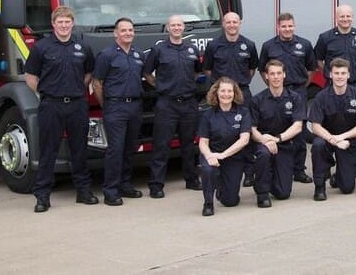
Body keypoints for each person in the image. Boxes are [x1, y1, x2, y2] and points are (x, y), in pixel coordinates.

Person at [25, 6, 98, 212]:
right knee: (48, 151)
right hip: (51, 105)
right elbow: (31, 78)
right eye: (60, 22)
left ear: (72, 24)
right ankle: (42, 197)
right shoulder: (41, 47)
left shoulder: (83, 47)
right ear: (53, 24)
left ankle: (83, 192)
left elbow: (88, 74)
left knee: (80, 150)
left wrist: (74, 89)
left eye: (67, 22)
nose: (64, 25)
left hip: (77, 104)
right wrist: (50, 92)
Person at [143, 15, 202, 198]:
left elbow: (196, 72)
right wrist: (160, 86)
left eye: (179, 25)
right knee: (161, 145)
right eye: (173, 25)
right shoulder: (158, 49)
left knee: (188, 144)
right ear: (167, 28)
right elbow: (147, 73)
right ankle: (156, 184)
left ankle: (191, 179)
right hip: (166, 104)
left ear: (183, 28)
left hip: (188, 103)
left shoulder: (191, 49)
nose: (176, 28)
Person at [314, 4, 356, 180]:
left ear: (352, 17)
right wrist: (333, 76)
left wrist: (353, 73)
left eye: (348, 16)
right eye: (342, 16)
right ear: (336, 17)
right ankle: (326, 166)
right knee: (327, 124)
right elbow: (318, 59)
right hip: (331, 87)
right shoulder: (325, 38)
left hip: (354, 85)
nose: (345, 19)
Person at [258, 12, 316, 184]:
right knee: (275, 127)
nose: (287, 29)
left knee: (300, 133)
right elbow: (262, 69)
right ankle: (275, 166)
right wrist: (274, 86)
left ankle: (299, 170)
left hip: (298, 91)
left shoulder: (304, 44)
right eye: (284, 26)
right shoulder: (268, 46)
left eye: (290, 26)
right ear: (278, 27)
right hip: (277, 93)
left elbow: (311, 69)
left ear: (294, 26)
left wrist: (302, 87)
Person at [92, 17, 145, 206]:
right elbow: (97, 83)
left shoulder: (138, 55)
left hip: (135, 106)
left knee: (130, 148)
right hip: (115, 107)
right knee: (115, 149)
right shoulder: (106, 55)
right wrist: (106, 105)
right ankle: (110, 190)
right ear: (116, 33)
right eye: (123, 30)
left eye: (130, 30)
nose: (128, 33)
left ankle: (125, 184)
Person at [203, 11, 259, 186]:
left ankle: (249, 172)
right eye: (228, 22)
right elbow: (208, 69)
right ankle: (219, 165)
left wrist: (238, 87)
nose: (232, 25)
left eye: (235, 22)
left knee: (246, 133)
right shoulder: (214, 45)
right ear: (223, 24)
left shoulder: (249, 45)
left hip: (243, 93)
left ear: (240, 23)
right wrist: (224, 88)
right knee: (221, 132)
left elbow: (252, 69)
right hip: (222, 95)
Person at [309, 58, 356, 201]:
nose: (340, 76)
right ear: (330, 75)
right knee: (318, 145)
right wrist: (333, 139)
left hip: (348, 141)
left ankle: (339, 176)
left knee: (347, 188)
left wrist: (342, 137)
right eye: (336, 73)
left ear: (349, 75)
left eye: (343, 73)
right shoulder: (321, 97)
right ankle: (319, 186)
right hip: (326, 139)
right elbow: (315, 126)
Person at [250, 60, 306, 208]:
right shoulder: (257, 100)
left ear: (284, 75)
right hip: (263, 144)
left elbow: (298, 126)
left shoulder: (295, 98)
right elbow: (252, 129)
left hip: (285, 144)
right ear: (266, 76)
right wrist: (265, 141)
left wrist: (277, 139)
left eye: (279, 73)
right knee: (263, 155)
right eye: (272, 74)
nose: (276, 77)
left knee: (283, 193)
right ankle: (262, 193)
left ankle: (268, 178)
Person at [198, 77, 251, 217]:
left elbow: (244, 139)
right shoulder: (208, 115)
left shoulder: (243, 112)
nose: (226, 94)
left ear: (235, 93)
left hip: (233, 157)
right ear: (216, 92)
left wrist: (224, 155)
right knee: (208, 169)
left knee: (230, 201)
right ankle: (208, 203)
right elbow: (203, 142)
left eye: (229, 91)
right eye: (223, 91)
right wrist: (209, 155)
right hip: (212, 155)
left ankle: (222, 188)